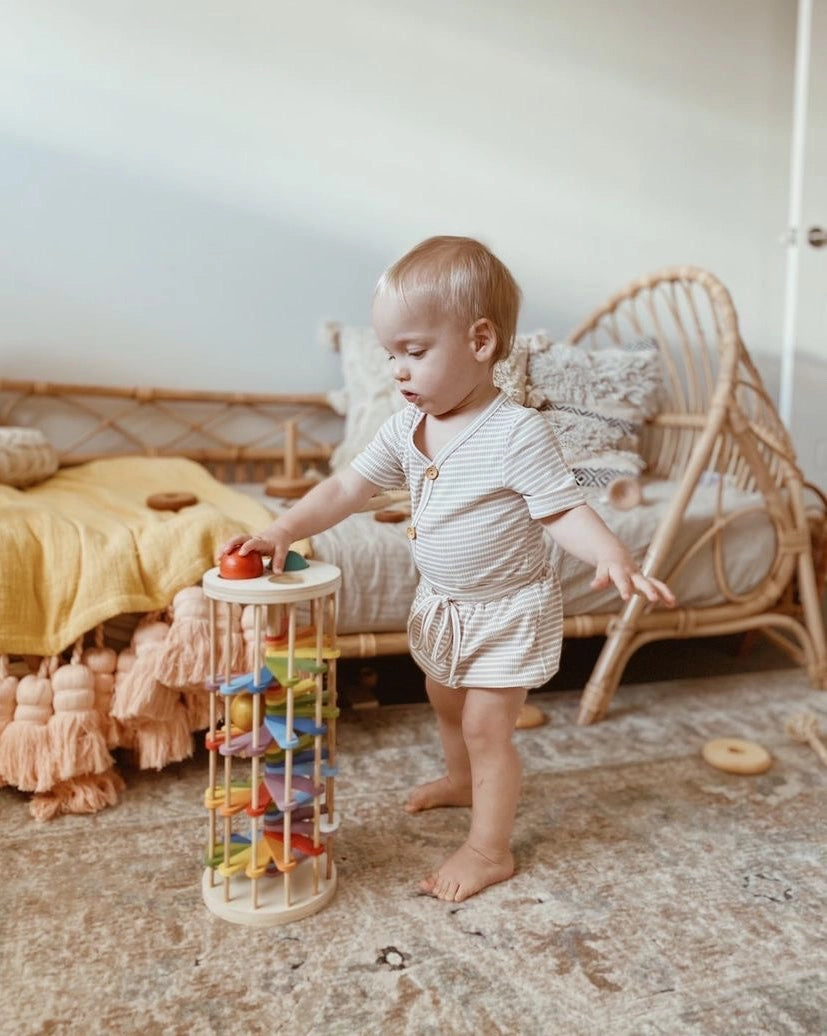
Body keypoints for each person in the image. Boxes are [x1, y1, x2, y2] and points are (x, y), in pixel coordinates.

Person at [221, 235, 675, 903]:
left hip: (505, 609)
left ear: (480, 342)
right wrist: (280, 529)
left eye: (414, 352)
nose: (397, 372)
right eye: (390, 355)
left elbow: (561, 511)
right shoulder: (406, 428)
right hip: (442, 602)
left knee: (487, 725)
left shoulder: (517, 431)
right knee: (443, 700)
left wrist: (610, 552)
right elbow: (346, 489)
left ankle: (489, 850)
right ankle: (462, 784)